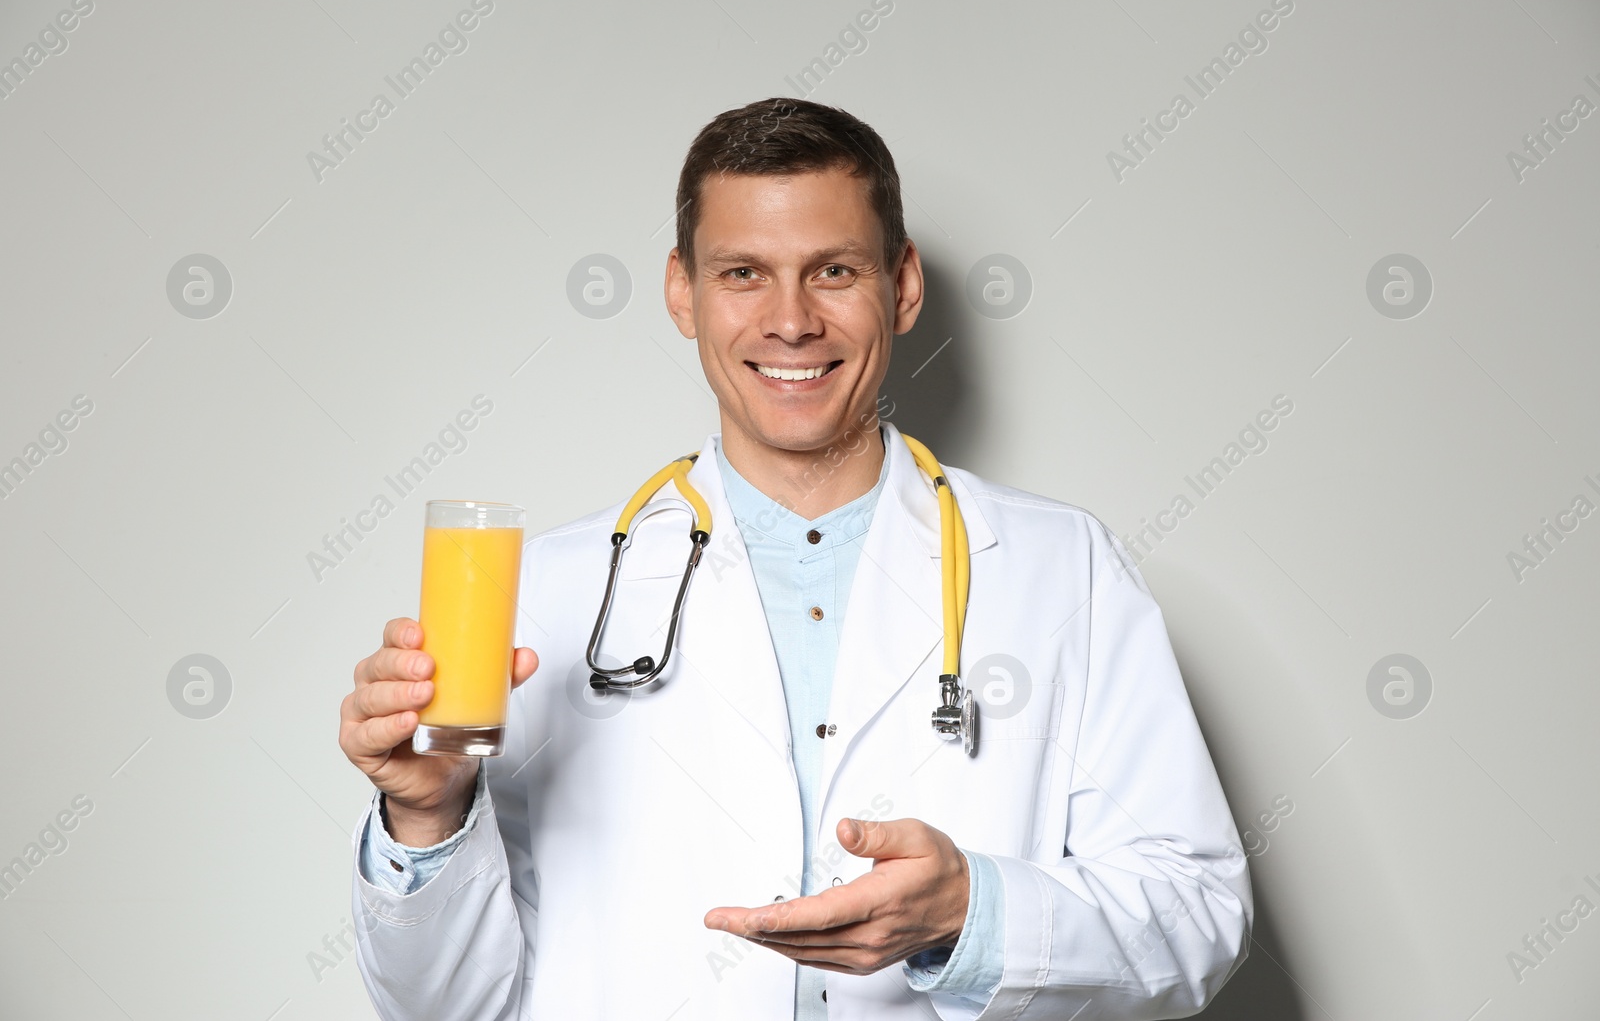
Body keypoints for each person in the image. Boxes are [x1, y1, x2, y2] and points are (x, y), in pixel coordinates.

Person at [339, 96, 1252, 1020]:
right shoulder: (547, 594)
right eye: (743, 272)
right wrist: (427, 818)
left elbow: (1197, 913)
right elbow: (446, 1009)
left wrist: (967, 912)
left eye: (834, 271)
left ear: (901, 287)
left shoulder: (1065, 569)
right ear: (681, 292)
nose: (790, 321)